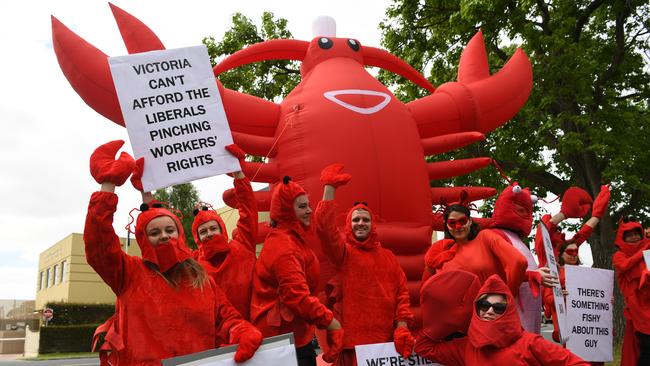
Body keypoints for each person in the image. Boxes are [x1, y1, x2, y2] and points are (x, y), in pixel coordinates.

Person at [85, 141, 262, 365]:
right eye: (155, 233)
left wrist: (243, 331)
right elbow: (99, 245)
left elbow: (226, 317)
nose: (164, 236)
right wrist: (108, 185)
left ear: (180, 234)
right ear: (143, 239)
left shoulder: (201, 278)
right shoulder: (130, 274)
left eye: (170, 230)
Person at [314, 164, 414, 366]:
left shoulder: (388, 257)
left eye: (365, 220)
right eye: (356, 219)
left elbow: (402, 294)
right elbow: (325, 230)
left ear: (372, 224)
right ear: (349, 224)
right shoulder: (343, 253)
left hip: (385, 346)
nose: (361, 223)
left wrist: (401, 327)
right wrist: (329, 188)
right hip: (353, 347)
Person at [250, 175, 343, 366]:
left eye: (308, 205)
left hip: (291, 337)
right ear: (285, 210)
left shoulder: (289, 239)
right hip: (283, 342)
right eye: (302, 206)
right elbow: (296, 295)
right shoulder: (285, 246)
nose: (309, 210)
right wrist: (331, 322)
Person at [415, 274, 589, 365]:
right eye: (484, 305)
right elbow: (424, 347)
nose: (490, 310)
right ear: (477, 308)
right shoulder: (466, 347)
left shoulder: (529, 343)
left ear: (508, 311)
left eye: (498, 307)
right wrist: (444, 318)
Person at [191, 144, 257, 322]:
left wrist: (238, 174)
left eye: (213, 228)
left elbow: (248, 210)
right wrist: (147, 197)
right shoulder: (194, 264)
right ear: (197, 237)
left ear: (222, 229)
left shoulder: (242, 245)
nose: (209, 234)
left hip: (257, 327)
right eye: (203, 231)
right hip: (219, 338)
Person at [487, 183, 558, 333]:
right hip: (511, 313)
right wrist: (533, 275)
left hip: (527, 314)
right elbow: (496, 273)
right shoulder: (496, 236)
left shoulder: (517, 240)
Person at [424, 202, 528, 298]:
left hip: (489, 313)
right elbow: (427, 287)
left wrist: (507, 295)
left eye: (462, 221)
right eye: (452, 223)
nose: (458, 227)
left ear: (469, 221)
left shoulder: (485, 237)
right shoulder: (440, 249)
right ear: (446, 225)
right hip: (454, 315)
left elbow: (519, 262)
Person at [612, 217, 650, 366]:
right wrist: (643, 251)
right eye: (629, 234)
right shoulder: (619, 255)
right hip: (637, 309)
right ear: (622, 237)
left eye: (636, 233)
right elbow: (624, 265)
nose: (634, 237)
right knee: (646, 346)